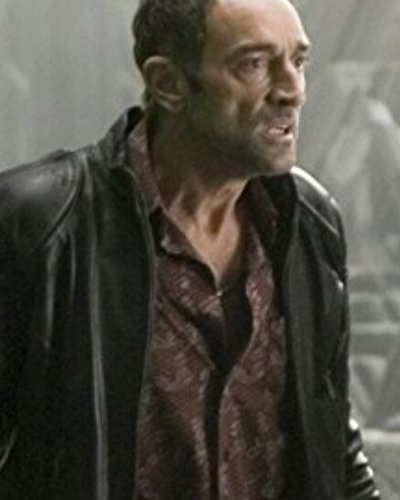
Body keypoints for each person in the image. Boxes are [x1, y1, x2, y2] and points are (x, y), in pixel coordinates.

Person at [0, 0, 380, 499]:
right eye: (254, 64)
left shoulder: (309, 222)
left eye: (298, 61)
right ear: (168, 84)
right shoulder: (42, 225)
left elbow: (333, 449)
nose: (292, 90)